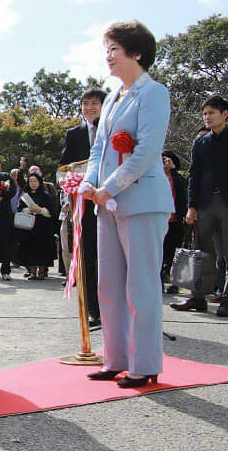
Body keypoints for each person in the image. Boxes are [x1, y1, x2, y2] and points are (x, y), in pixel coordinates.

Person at [81, 20, 172, 388]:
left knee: (141, 286)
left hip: (142, 202)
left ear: (136, 52)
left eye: (114, 49)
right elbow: (99, 147)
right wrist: (90, 181)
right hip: (107, 205)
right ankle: (115, 358)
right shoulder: (115, 96)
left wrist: (110, 187)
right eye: (106, 50)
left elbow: (147, 151)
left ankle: (145, 363)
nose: (108, 57)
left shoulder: (153, 93)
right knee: (109, 284)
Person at [171, 95, 228, 317]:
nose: (207, 117)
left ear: (224, 114)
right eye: (205, 114)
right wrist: (191, 206)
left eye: (211, 113)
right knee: (203, 251)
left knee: (226, 252)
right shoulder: (200, 142)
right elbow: (193, 174)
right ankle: (198, 297)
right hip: (204, 203)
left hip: (226, 202)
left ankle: (225, 298)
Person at [59, 87, 106, 326]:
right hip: (84, 206)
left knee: (109, 257)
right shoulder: (74, 134)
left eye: (95, 103)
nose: (90, 108)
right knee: (87, 256)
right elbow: (64, 168)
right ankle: (92, 309)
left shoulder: (112, 130)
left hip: (109, 202)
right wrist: (68, 181)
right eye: (86, 104)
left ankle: (113, 307)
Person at [15, 173, 58, 280]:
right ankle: (32, 271)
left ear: (39, 182)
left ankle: (42, 271)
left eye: (35, 181)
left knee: (43, 247)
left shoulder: (46, 195)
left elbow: (52, 211)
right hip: (29, 227)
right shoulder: (25, 196)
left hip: (43, 226)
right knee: (30, 248)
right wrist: (29, 209)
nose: (33, 184)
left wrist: (41, 210)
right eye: (31, 181)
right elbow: (20, 209)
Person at [160, 150, 188, 294]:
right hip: (159, 219)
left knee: (173, 253)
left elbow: (183, 196)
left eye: (170, 159)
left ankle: (174, 282)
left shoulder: (179, 179)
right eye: (164, 159)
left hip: (175, 220)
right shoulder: (157, 176)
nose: (167, 161)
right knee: (159, 252)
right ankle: (158, 280)